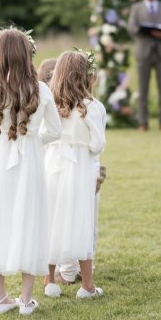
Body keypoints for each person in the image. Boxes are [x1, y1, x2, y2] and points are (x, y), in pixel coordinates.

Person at [0, 27, 62, 315]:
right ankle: (25, 299)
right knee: (29, 220)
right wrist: (32, 139)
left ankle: (0, 298)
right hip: (30, 161)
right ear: (26, 55)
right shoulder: (42, 89)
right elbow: (55, 131)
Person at [44, 50, 106, 300]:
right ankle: (86, 287)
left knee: (50, 218)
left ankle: (49, 281)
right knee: (81, 220)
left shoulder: (50, 103)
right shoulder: (92, 107)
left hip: (52, 164)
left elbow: (44, 135)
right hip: (79, 167)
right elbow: (97, 145)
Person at [128, 0, 161, 131]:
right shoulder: (136, 8)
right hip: (143, 53)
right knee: (143, 89)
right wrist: (148, 31)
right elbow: (132, 28)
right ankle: (143, 122)